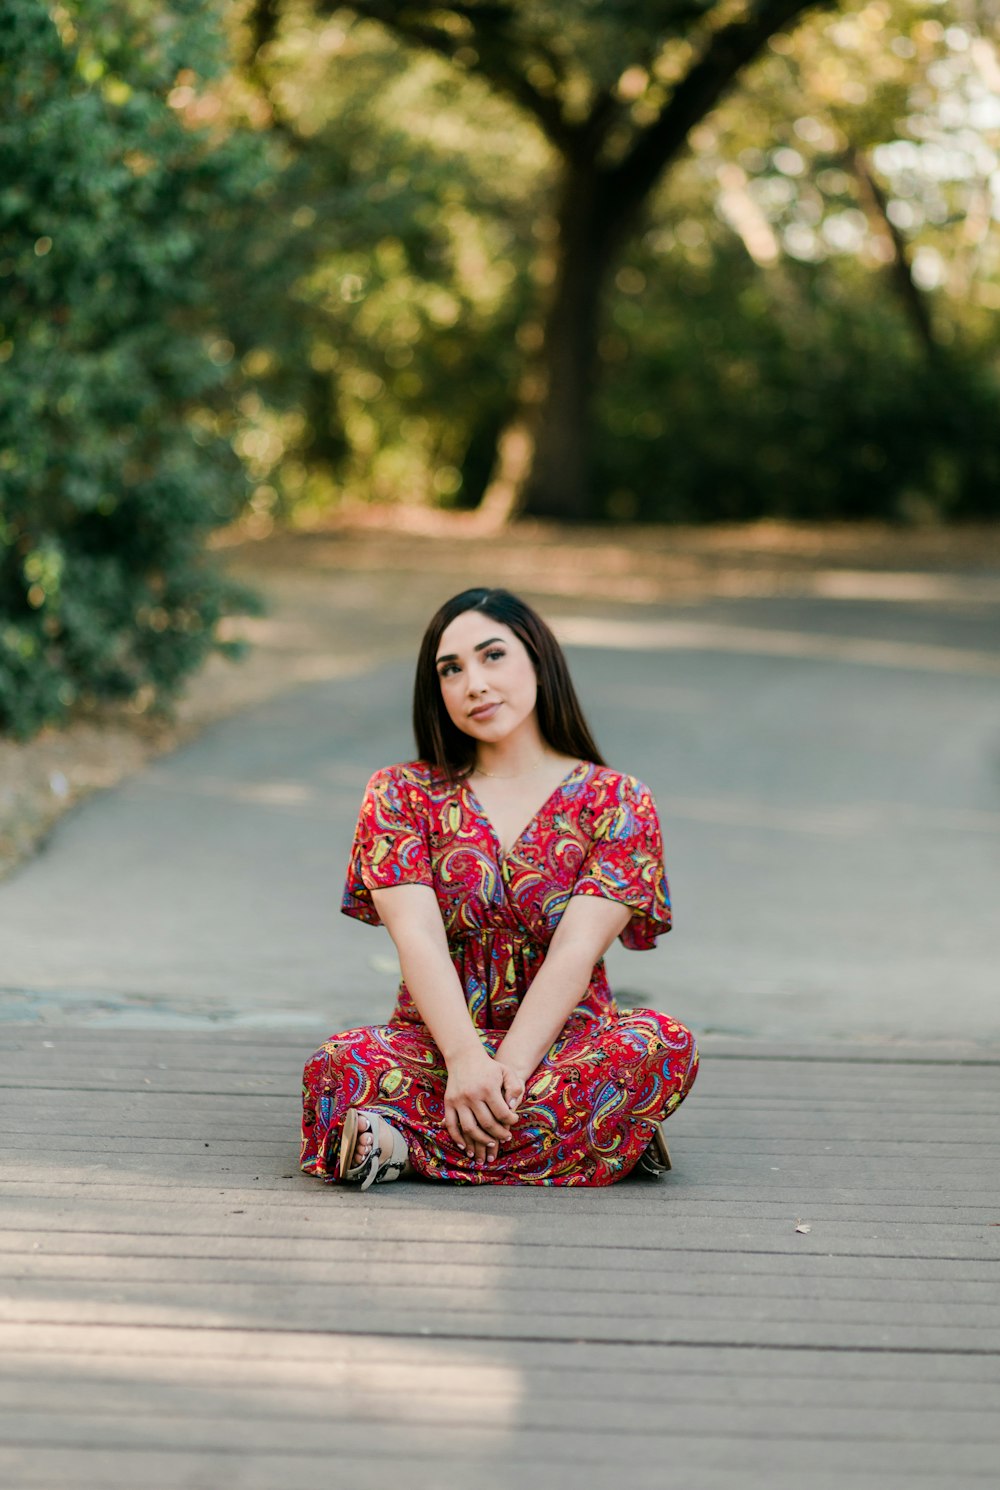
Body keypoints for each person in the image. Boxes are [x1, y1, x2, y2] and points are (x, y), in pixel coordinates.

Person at [300, 587, 698, 1188]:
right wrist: (464, 1061)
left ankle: (400, 1146)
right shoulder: (400, 794)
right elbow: (419, 941)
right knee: (339, 1065)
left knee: (662, 1043)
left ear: (537, 659)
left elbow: (575, 951)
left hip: (568, 1044)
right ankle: (598, 1136)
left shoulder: (619, 801)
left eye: (492, 656)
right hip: (436, 1045)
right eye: (450, 670)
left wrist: (506, 1068)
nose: (474, 684)